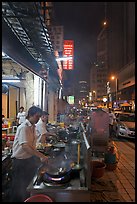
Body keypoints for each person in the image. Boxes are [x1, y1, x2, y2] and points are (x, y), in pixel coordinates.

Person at [10, 106, 48, 202]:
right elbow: (25, 146)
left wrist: (38, 156)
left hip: (28, 160)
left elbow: (31, 146)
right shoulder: (24, 127)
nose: (38, 119)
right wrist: (41, 156)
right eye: (37, 116)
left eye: (39, 117)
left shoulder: (32, 127)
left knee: (27, 187)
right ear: (30, 115)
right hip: (20, 162)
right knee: (18, 189)